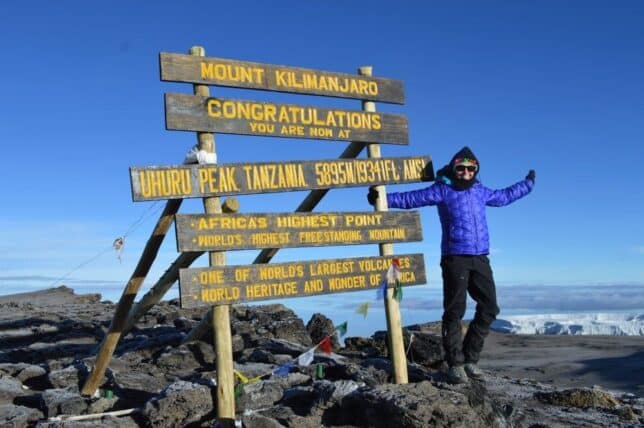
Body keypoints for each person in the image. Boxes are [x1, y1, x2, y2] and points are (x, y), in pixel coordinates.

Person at [368, 146, 535, 384]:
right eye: (461, 167)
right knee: (455, 311)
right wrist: (383, 199)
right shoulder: (443, 190)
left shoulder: (480, 191)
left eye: (471, 168)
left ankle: (469, 359)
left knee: (489, 308)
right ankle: (454, 364)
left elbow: (504, 196)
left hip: (480, 257)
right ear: (454, 168)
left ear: (476, 170)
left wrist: (527, 184)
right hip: (455, 258)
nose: (466, 172)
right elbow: (413, 198)